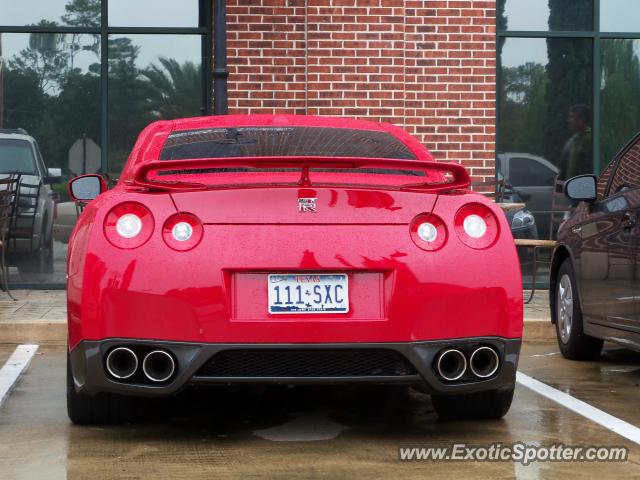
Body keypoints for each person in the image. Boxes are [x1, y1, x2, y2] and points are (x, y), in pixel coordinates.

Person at [559, 104, 592, 180]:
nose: (569, 120)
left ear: (582, 119)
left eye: (572, 117)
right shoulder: (573, 140)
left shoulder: (589, 139)